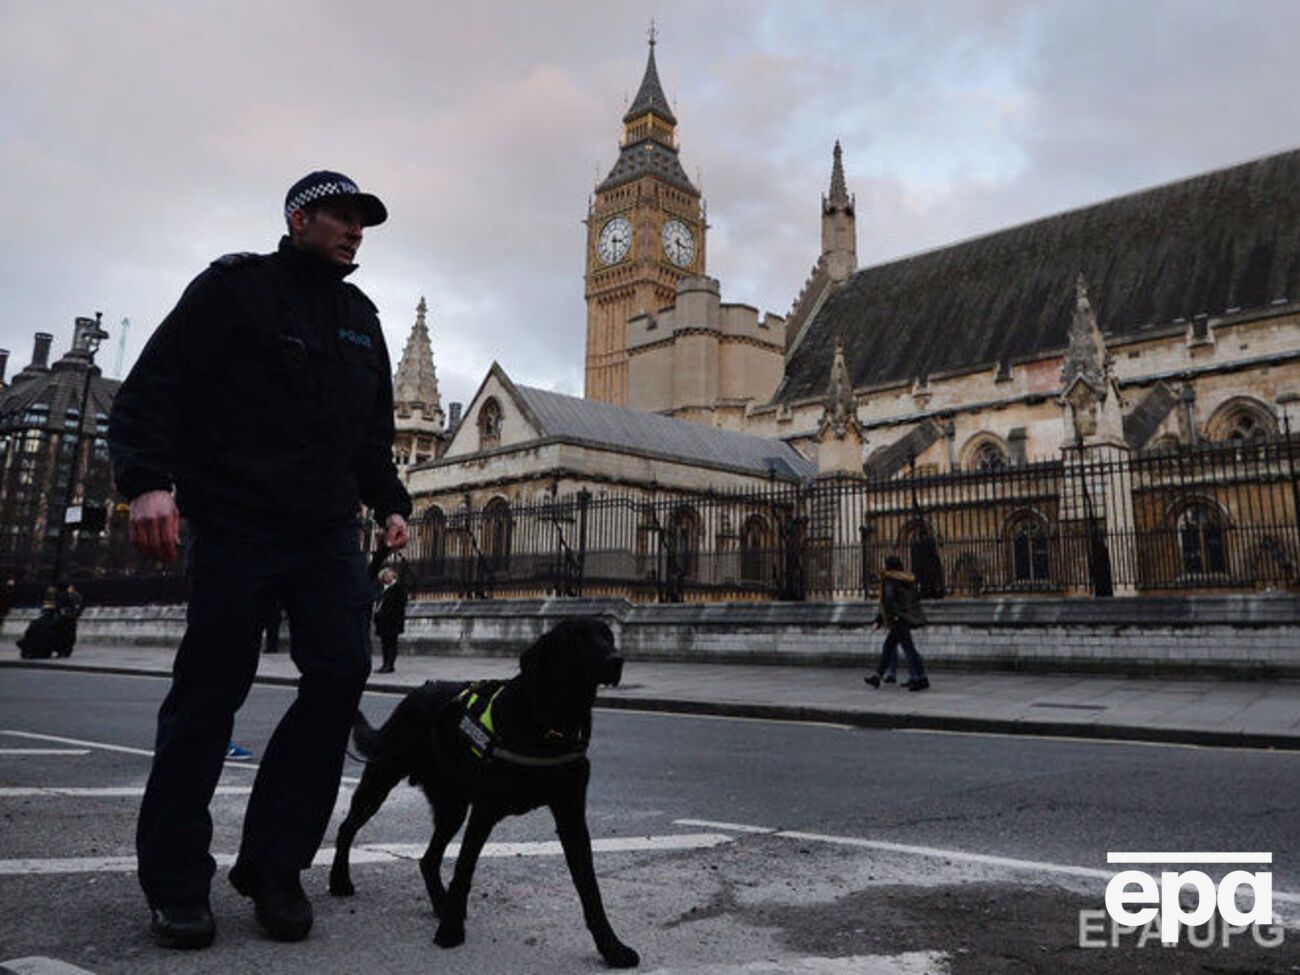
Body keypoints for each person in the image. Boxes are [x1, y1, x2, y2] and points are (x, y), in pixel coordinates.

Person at [108, 170, 411, 951]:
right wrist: (147, 482)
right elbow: (153, 388)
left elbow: (372, 436)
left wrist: (392, 502)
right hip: (237, 521)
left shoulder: (361, 319)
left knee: (342, 673)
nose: (354, 230)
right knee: (210, 693)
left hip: (324, 532)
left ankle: (275, 864)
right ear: (298, 218)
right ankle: (176, 881)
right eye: (340, 215)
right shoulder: (233, 288)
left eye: (362, 221)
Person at [864, 555, 930, 691]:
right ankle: (878, 677)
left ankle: (918, 678)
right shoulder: (906, 579)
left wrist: (886, 618)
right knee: (890, 646)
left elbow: (888, 601)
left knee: (908, 649)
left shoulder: (889, 579)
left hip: (897, 619)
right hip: (905, 617)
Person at [371, 562, 407, 674]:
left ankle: (390, 665)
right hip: (383, 621)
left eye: (387, 575)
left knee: (391, 643)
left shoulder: (398, 587)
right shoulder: (382, 589)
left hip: (393, 621)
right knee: (384, 643)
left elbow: (401, 604)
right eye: (384, 576)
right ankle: (384, 664)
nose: (385, 577)